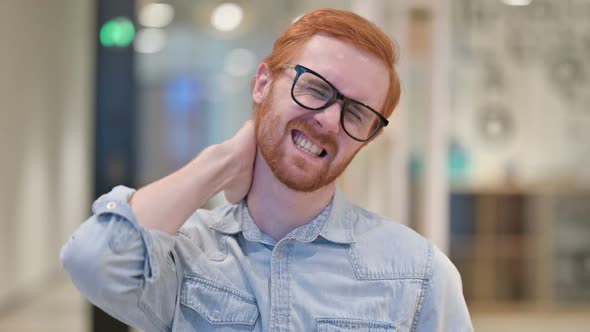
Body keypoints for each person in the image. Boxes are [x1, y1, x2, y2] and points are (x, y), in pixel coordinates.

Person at [61, 8, 473, 332]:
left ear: (368, 137)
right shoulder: (188, 255)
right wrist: (222, 161)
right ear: (262, 83)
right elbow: (93, 261)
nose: (330, 121)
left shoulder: (418, 274)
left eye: (357, 113)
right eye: (315, 88)